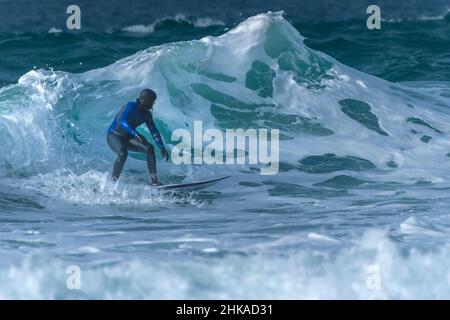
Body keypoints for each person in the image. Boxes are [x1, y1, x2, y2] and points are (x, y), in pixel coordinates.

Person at [107, 89, 169, 186]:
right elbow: (122, 121)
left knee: (149, 148)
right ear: (147, 101)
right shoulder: (131, 106)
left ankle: (154, 181)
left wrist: (162, 147)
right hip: (114, 136)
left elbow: (154, 131)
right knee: (123, 153)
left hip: (128, 138)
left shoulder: (147, 114)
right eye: (153, 100)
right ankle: (112, 183)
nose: (154, 103)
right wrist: (136, 134)